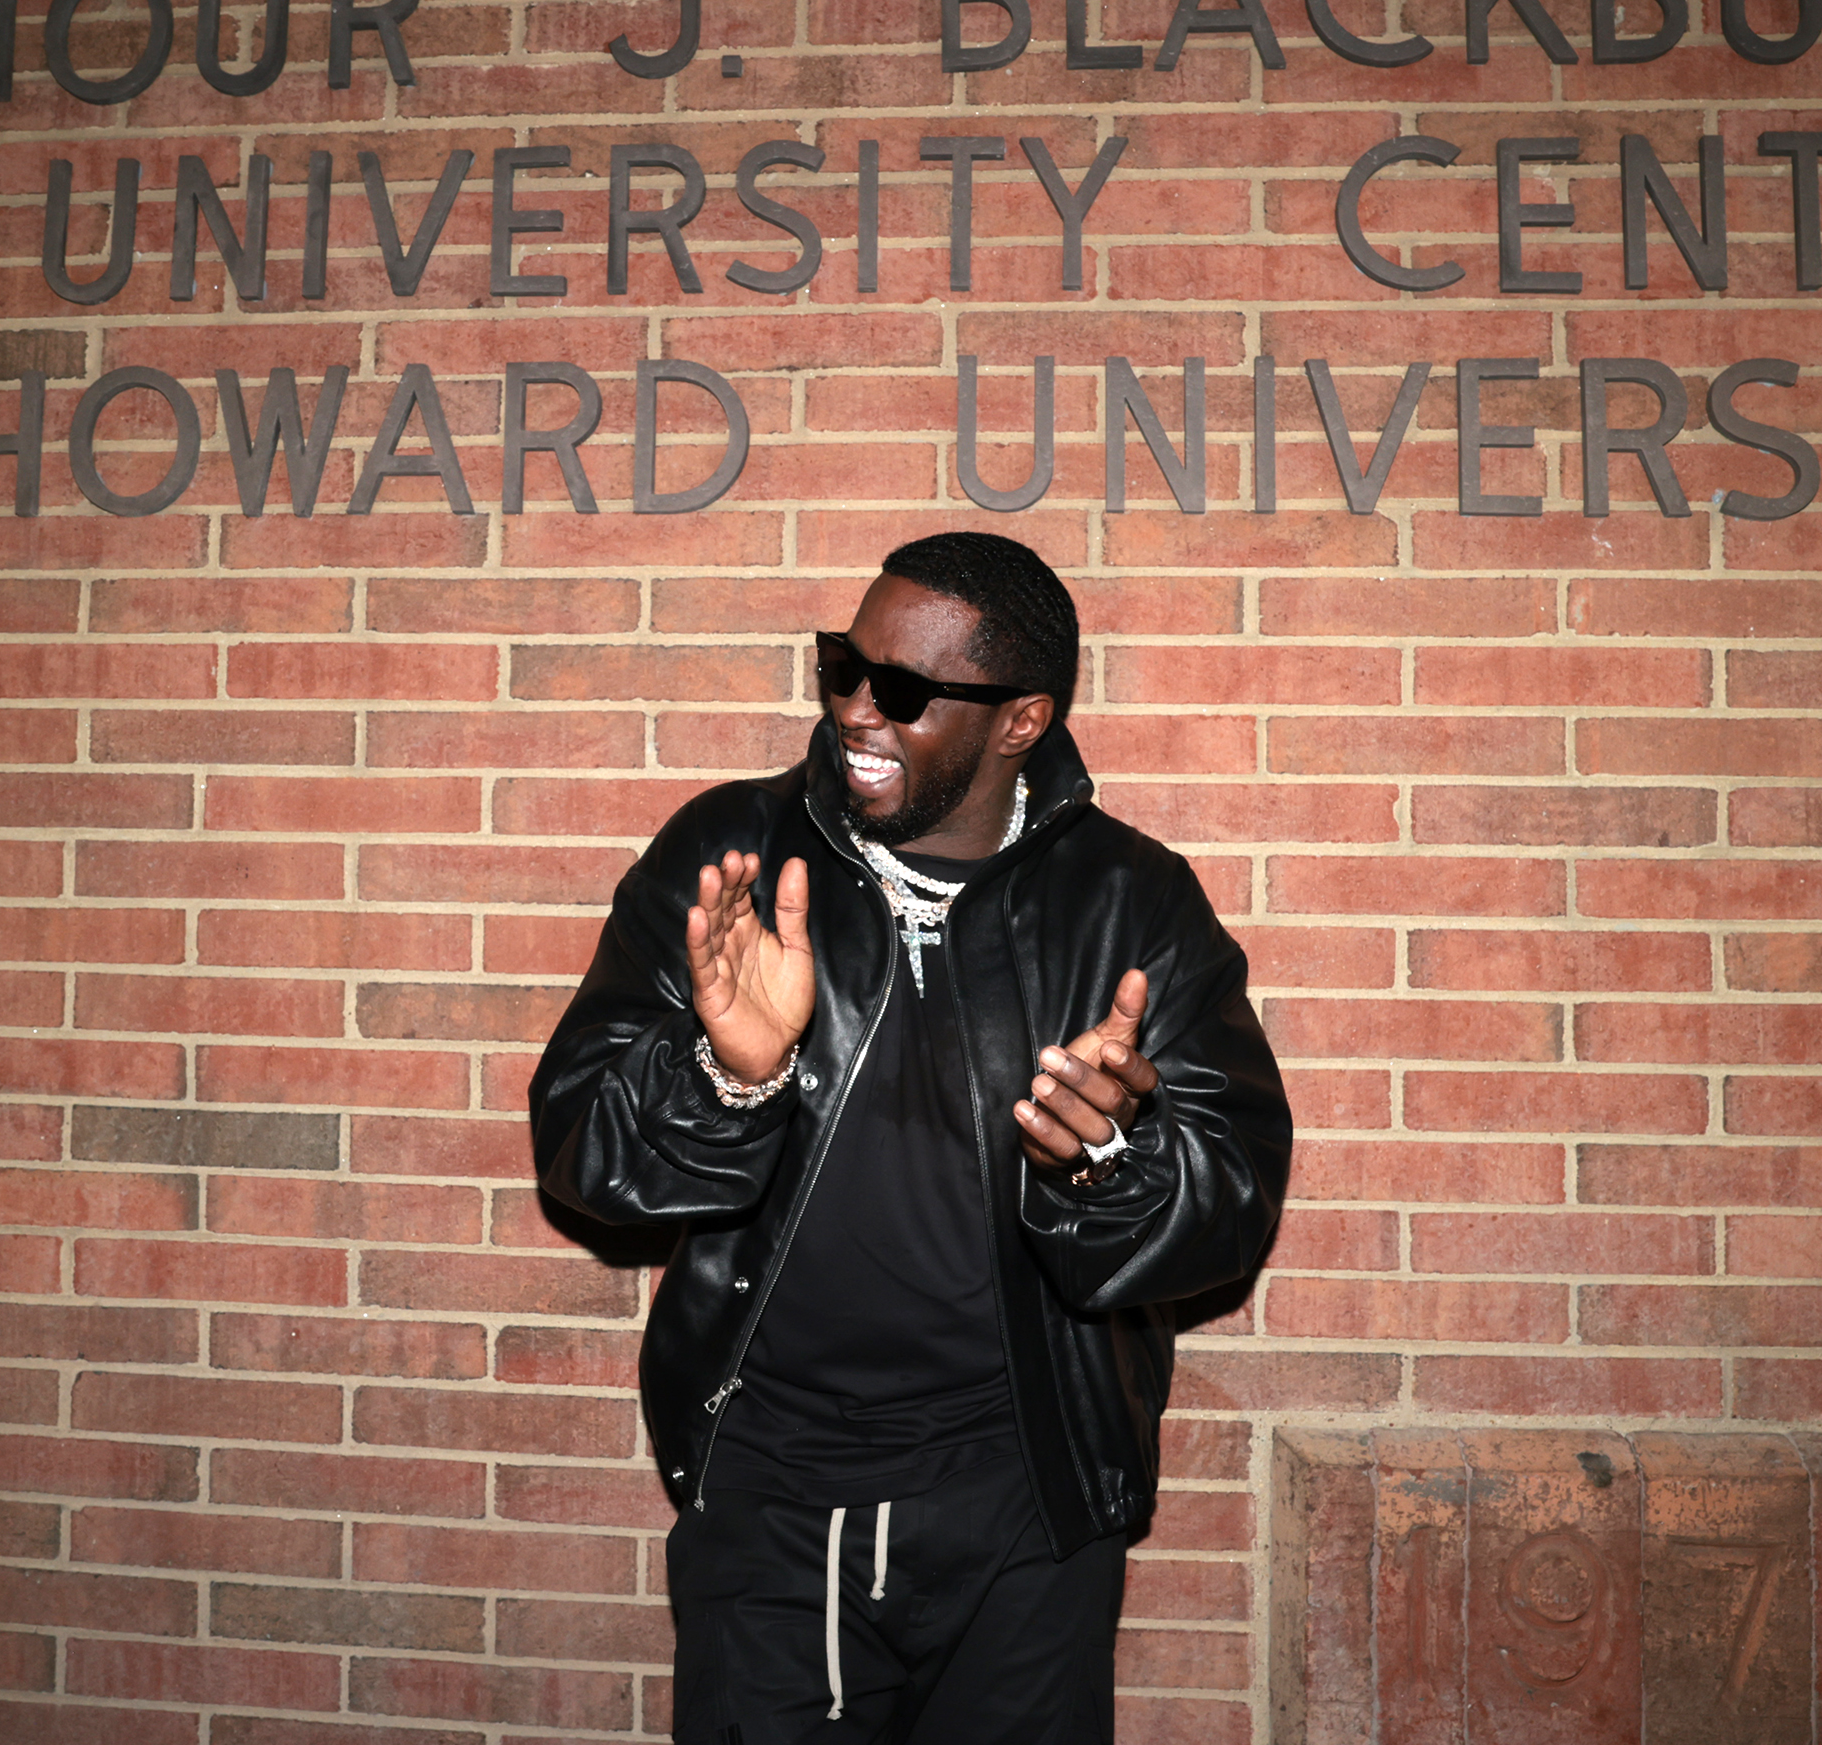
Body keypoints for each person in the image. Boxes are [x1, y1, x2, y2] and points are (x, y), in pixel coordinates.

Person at [528, 532, 1293, 1742]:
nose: (854, 711)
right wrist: (732, 1077)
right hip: (773, 1502)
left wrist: (1100, 1162)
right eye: (845, 666)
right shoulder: (733, 854)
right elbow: (580, 1151)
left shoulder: (1131, 900)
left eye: (902, 690)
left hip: (1026, 1507)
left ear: (1022, 719)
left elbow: (1231, 1202)